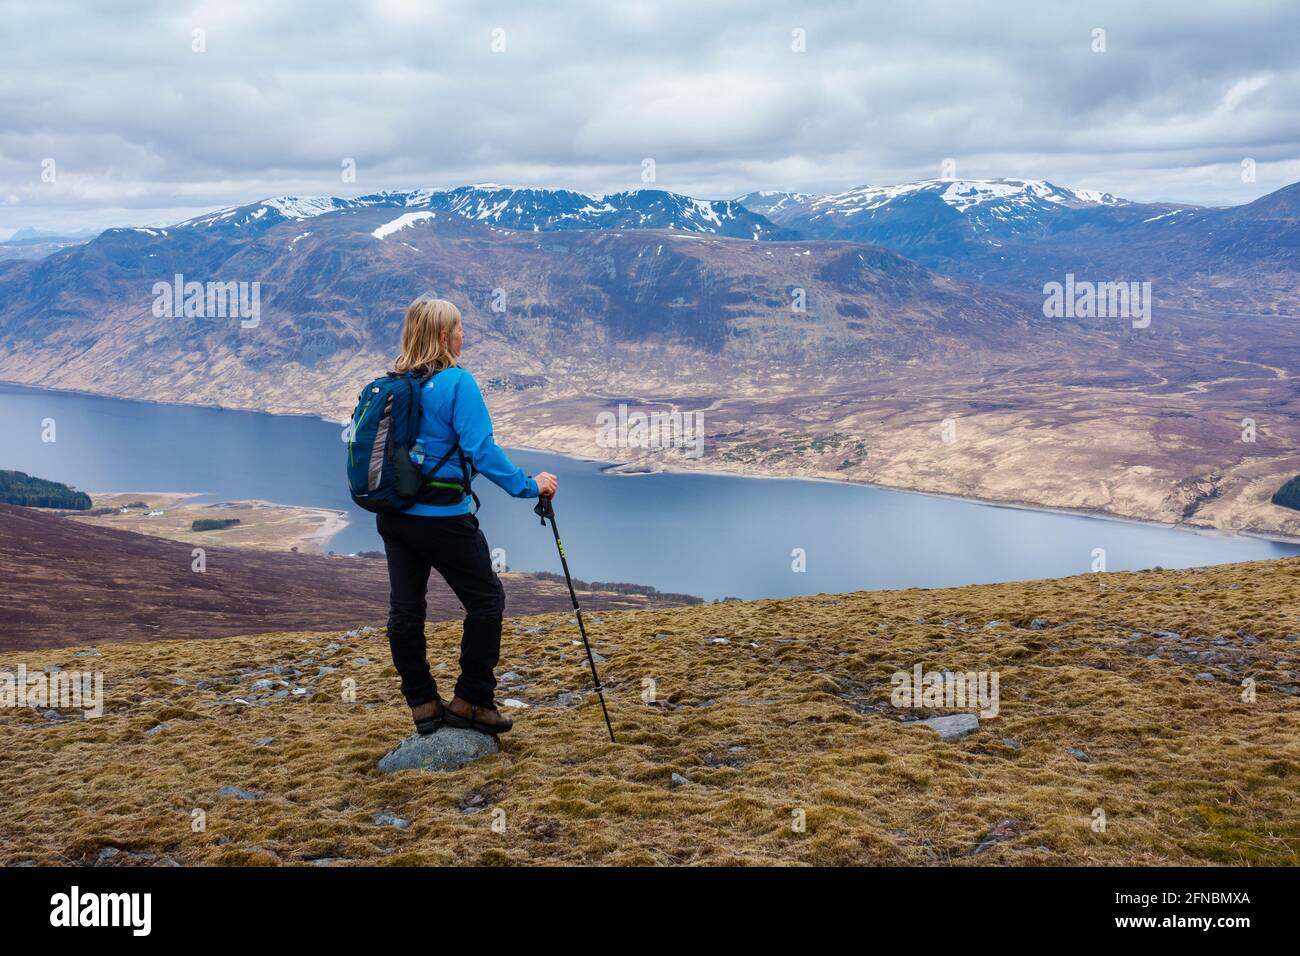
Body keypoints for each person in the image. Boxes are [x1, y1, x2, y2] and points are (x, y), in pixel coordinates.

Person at [378, 296, 558, 736]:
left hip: (394, 516)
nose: (464, 336)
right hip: (442, 518)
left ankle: (422, 704)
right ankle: (472, 701)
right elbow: (481, 450)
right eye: (458, 329)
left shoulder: (393, 383)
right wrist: (529, 485)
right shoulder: (459, 383)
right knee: (486, 601)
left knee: (406, 612)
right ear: (443, 335)